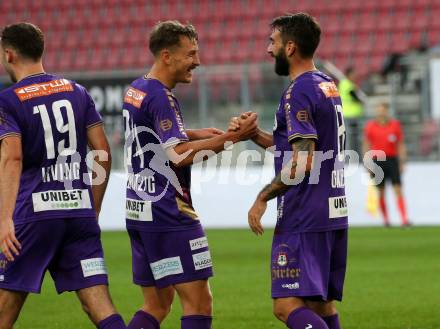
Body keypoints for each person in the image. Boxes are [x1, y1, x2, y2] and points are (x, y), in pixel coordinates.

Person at [123, 20, 257, 329]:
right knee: (199, 302)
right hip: (168, 211)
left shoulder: (137, 88)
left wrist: (196, 135)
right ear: (167, 56)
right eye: (191, 54)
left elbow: (150, 138)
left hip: (138, 207)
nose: (197, 61)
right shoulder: (161, 97)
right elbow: (178, 155)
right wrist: (231, 139)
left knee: (156, 304)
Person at [0, 23, 126, 328]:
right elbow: (102, 151)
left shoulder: (9, 100)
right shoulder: (77, 92)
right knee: (99, 305)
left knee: (4, 309)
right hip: (78, 211)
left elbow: (12, 157)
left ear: (9, 54)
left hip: (33, 216)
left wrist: (4, 219)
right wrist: (91, 207)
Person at [230, 13, 348, 329]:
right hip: (332, 208)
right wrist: (253, 135)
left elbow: (303, 161)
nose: (269, 50)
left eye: (273, 42)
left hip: (304, 214)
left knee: (285, 305)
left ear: (291, 47)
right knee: (320, 305)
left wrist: (263, 197)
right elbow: (295, 148)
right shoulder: (327, 84)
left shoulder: (298, 91)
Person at [363, 103, 409, 227]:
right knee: (381, 192)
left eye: (383, 110)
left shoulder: (395, 125)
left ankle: (404, 219)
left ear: (387, 111)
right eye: (379, 110)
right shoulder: (370, 126)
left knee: (398, 189)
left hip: (392, 160)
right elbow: (366, 144)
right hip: (377, 161)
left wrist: (402, 161)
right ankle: (386, 220)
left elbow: (400, 144)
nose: (381, 113)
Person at [338, 67, 364, 154]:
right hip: (349, 115)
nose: (355, 76)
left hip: (352, 115)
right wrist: (361, 101)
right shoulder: (346, 83)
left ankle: (354, 155)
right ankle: (351, 157)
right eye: (353, 74)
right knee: (350, 138)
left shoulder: (347, 83)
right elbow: (353, 95)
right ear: (349, 74)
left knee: (354, 137)